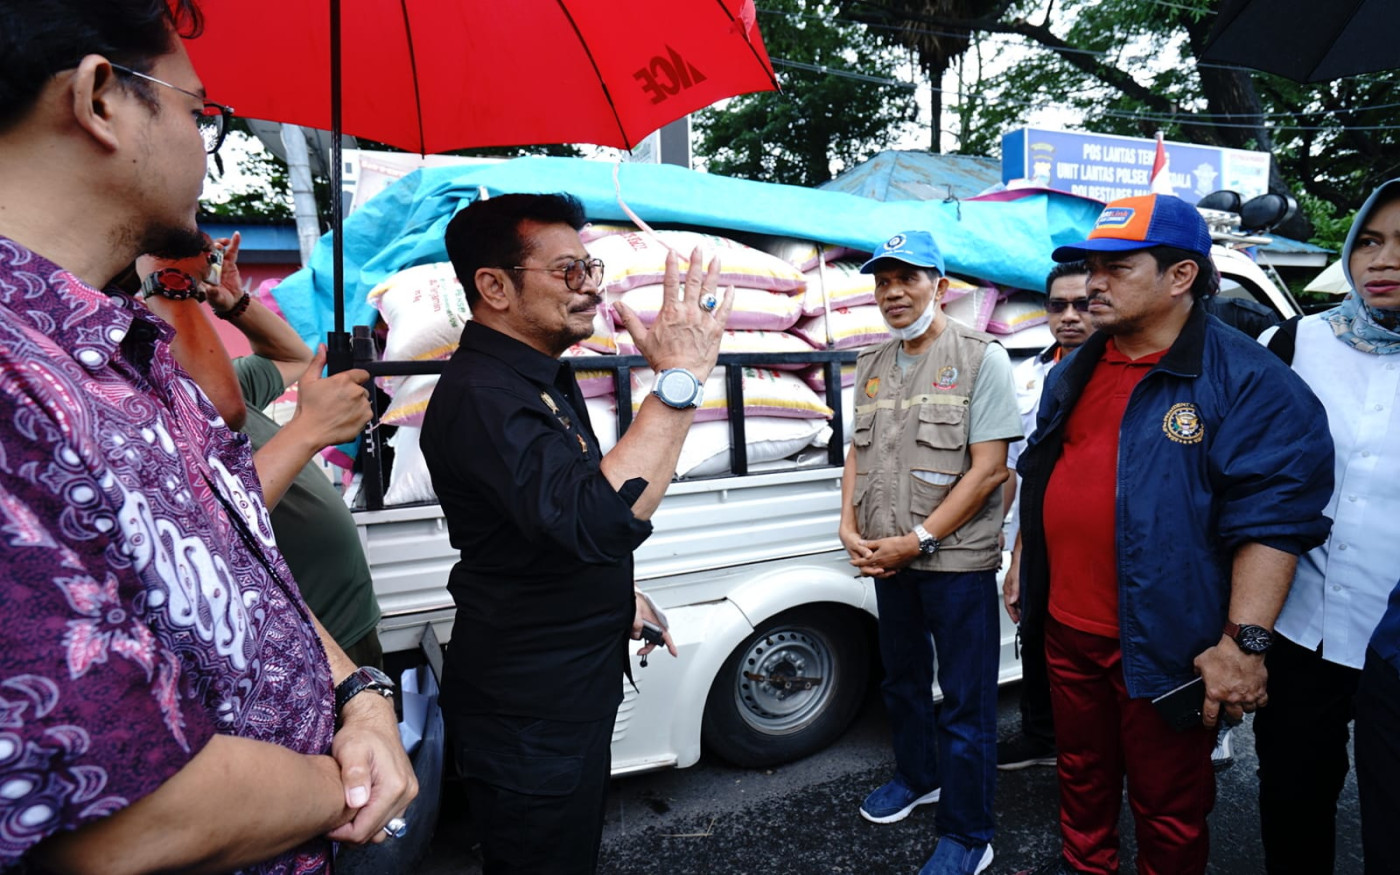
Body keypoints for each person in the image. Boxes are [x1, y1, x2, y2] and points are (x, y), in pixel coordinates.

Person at [0, 3, 414, 871]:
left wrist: (362, 696)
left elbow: (244, 568)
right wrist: (341, 784)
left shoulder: (122, 353)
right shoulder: (19, 381)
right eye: (200, 114)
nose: (205, 150)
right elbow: (128, 813)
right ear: (100, 99)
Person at [1011, 194, 1333, 875]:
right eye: (1091, 266)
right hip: (1067, 630)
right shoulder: (1073, 368)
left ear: (1181, 275)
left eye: (1117, 267)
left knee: (1169, 805)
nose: (1093, 284)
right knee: (1080, 777)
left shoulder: (1250, 381)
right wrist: (1023, 561)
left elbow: (1275, 520)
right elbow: (1044, 475)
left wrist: (1243, 646)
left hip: (1168, 643)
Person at [420, 192, 732, 874]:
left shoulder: (538, 378)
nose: (590, 286)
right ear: (494, 287)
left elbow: (553, 523)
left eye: (591, 268)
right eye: (568, 271)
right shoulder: (483, 395)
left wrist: (618, 598)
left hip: (562, 690)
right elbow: (597, 520)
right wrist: (679, 380)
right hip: (531, 708)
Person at [839, 231, 1022, 875]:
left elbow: (989, 469)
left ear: (940, 286)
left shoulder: (980, 358)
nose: (893, 292)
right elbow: (858, 452)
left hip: (954, 562)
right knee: (902, 679)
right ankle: (919, 777)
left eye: (908, 278)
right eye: (883, 281)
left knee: (967, 699)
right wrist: (846, 524)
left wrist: (918, 540)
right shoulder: (871, 362)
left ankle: (969, 834)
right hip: (888, 557)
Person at [137, 233, 384, 666]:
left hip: (349, 621)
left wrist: (234, 303)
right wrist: (308, 429)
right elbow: (207, 526)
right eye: (172, 293)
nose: (187, 316)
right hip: (299, 649)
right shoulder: (143, 415)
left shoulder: (218, 385)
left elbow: (294, 358)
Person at [1253, 178, 1400, 875]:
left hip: (1392, 636)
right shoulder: (1293, 343)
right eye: (1368, 241)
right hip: (1299, 623)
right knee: (1293, 797)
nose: (1382, 259)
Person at [997, 261, 1091, 771]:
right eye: (1058, 306)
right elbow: (1014, 466)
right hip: (1034, 536)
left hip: (1091, 537)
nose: (1069, 316)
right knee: (1033, 630)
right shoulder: (1027, 375)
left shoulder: (1117, 376)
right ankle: (1042, 735)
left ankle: (1096, 751)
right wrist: (1007, 545)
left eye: (1082, 305)